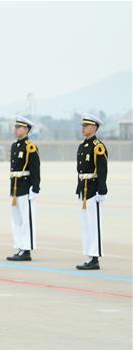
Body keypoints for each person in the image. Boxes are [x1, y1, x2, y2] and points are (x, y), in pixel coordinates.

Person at [75, 113, 108, 270]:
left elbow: (102, 171)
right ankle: (89, 255)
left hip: (94, 190)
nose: (83, 128)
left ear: (94, 127)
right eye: (83, 125)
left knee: (94, 225)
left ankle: (95, 257)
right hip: (84, 190)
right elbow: (80, 171)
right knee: (86, 225)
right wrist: (78, 188)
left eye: (86, 126)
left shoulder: (98, 146)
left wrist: (102, 191)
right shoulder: (83, 146)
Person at [6, 115, 40, 262]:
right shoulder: (15, 146)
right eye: (16, 127)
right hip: (15, 187)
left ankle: (27, 249)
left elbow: (35, 169)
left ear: (26, 129)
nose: (16, 129)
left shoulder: (30, 146)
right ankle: (19, 246)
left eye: (18, 127)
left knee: (26, 219)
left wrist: (35, 188)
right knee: (16, 220)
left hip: (26, 186)